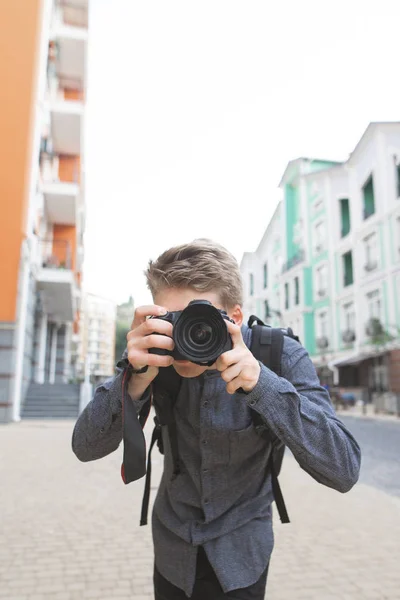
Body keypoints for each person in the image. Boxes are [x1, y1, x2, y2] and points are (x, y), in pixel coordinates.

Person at [72, 239, 361, 600]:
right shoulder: (154, 358)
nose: (184, 336)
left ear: (235, 317)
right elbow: (85, 447)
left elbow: (344, 468)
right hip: (173, 549)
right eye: (171, 321)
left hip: (243, 553)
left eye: (200, 319)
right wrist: (134, 381)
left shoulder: (279, 355)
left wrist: (263, 384)